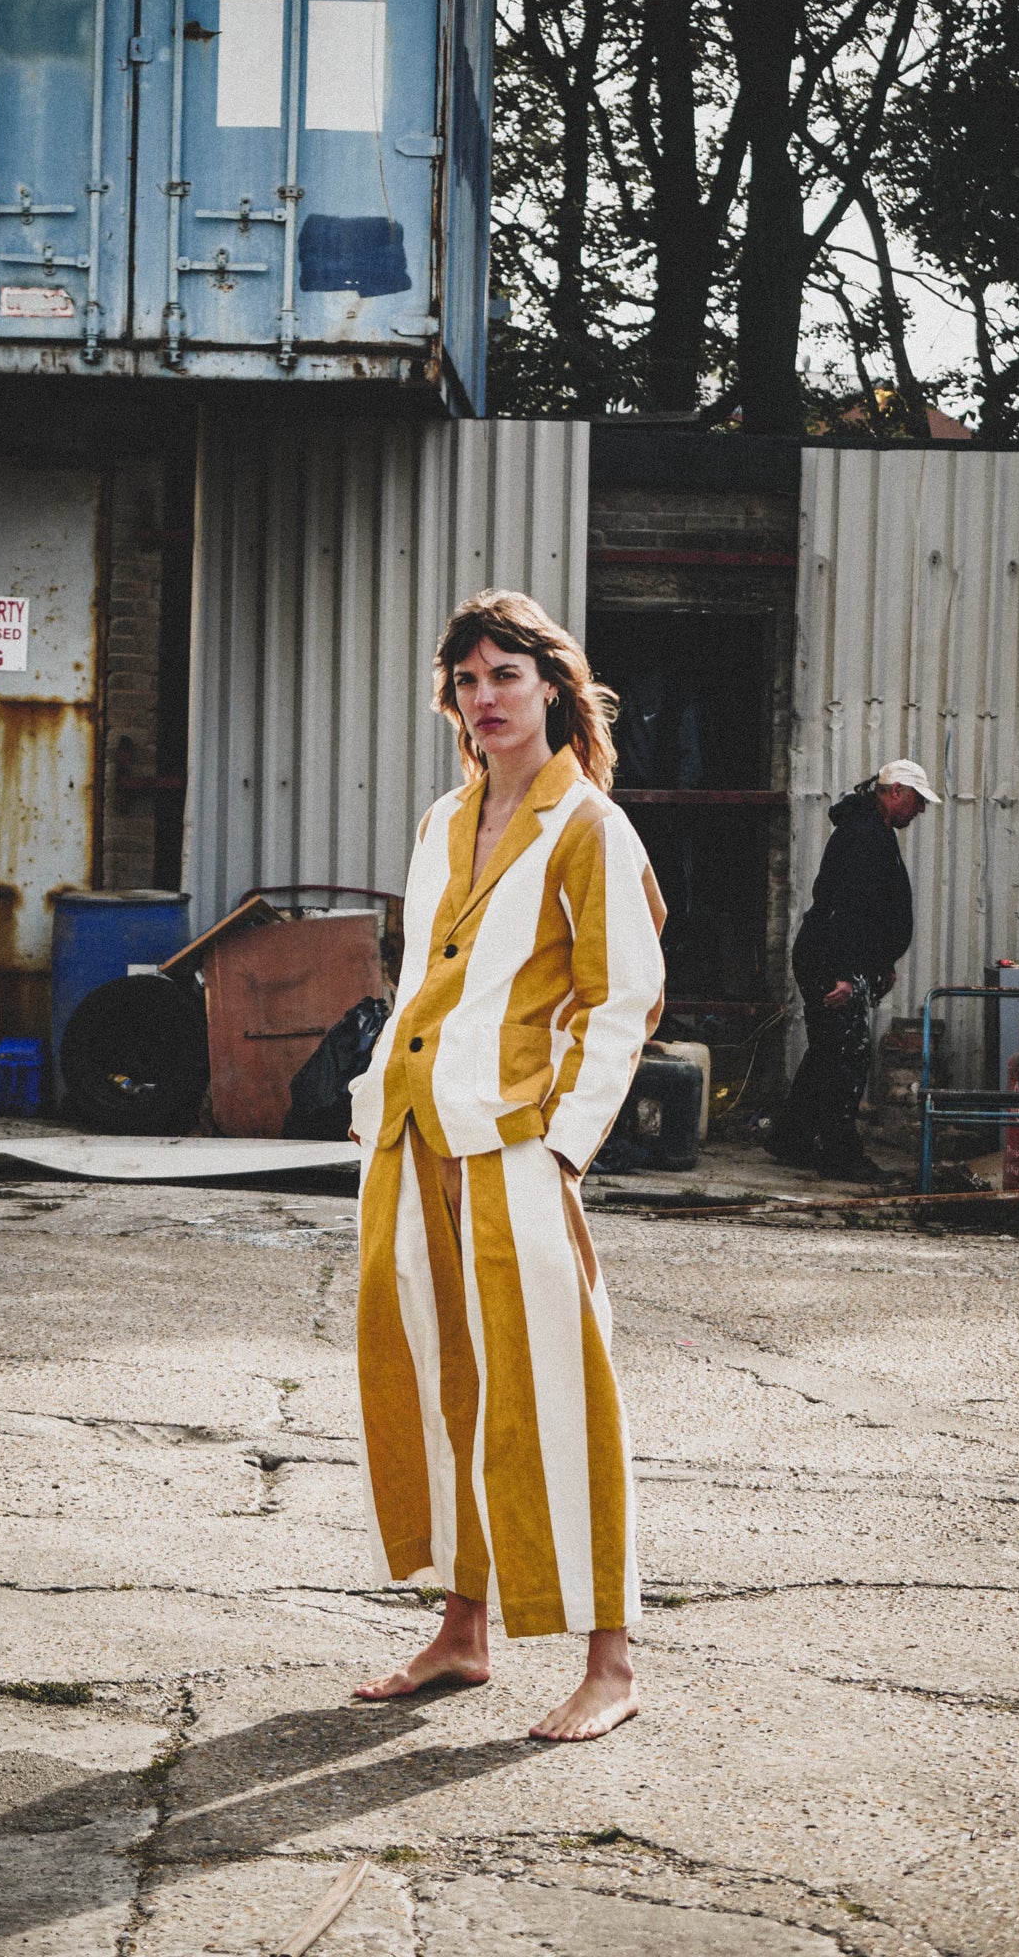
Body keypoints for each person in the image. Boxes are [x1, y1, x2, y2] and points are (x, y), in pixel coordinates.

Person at [347, 590, 666, 1742]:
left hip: (518, 1146)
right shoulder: (444, 818)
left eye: (507, 676)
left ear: (553, 687)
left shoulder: (590, 826)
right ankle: (462, 1631)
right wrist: (377, 1096)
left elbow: (620, 999)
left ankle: (612, 1660)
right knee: (444, 1385)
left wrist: (566, 1141)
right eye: (469, 679)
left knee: (561, 1389)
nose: (487, 698)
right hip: (415, 1136)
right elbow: (425, 977)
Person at [766, 759, 939, 1181]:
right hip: (831, 958)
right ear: (896, 791)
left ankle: (791, 1137)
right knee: (849, 1054)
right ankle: (839, 1153)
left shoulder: (869, 829)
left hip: (833, 955)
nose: (920, 811)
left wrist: (881, 964)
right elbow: (846, 906)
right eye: (917, 801)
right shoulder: (864, 834)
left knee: (829, 1049)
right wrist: (844, 971)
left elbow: (869, 908)